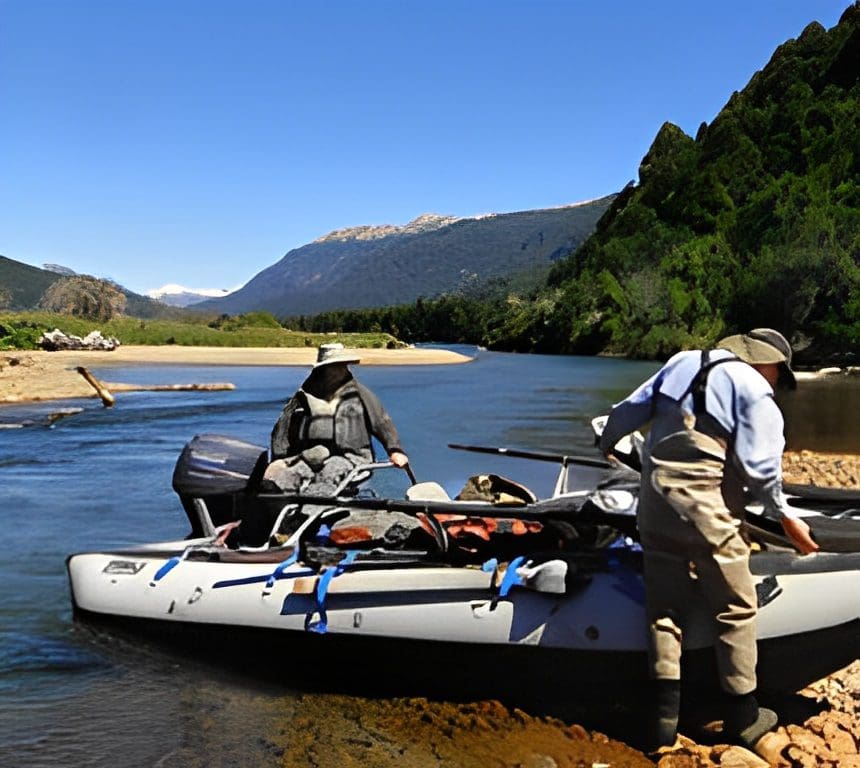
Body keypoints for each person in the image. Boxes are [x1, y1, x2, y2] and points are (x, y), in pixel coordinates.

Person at [597, 328, 819, 752]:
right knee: (735, 607)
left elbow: (625, 414)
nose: (777, 383)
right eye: (779, 374)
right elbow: (760, 468)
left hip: (656, 507)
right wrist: (785, 516)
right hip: (708, 511)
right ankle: (742, 715)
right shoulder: (754, 388)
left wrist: (608, 444)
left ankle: (663, 720)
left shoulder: (681, 361)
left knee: (663, 610)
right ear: (765, 363)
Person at [262, 343, 409, 495]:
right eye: (336, 366)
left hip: (350, 457)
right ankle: (280, 507)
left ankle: (313, 505)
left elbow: (381, 421)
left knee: (332, 470)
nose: (342, 370)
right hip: (309, 455)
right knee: (289, 474)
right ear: (323, 369)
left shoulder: (359, 394)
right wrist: (279, 458)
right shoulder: (303, 396)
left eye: (343, 366)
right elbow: (282, 429)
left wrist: (395, 450)